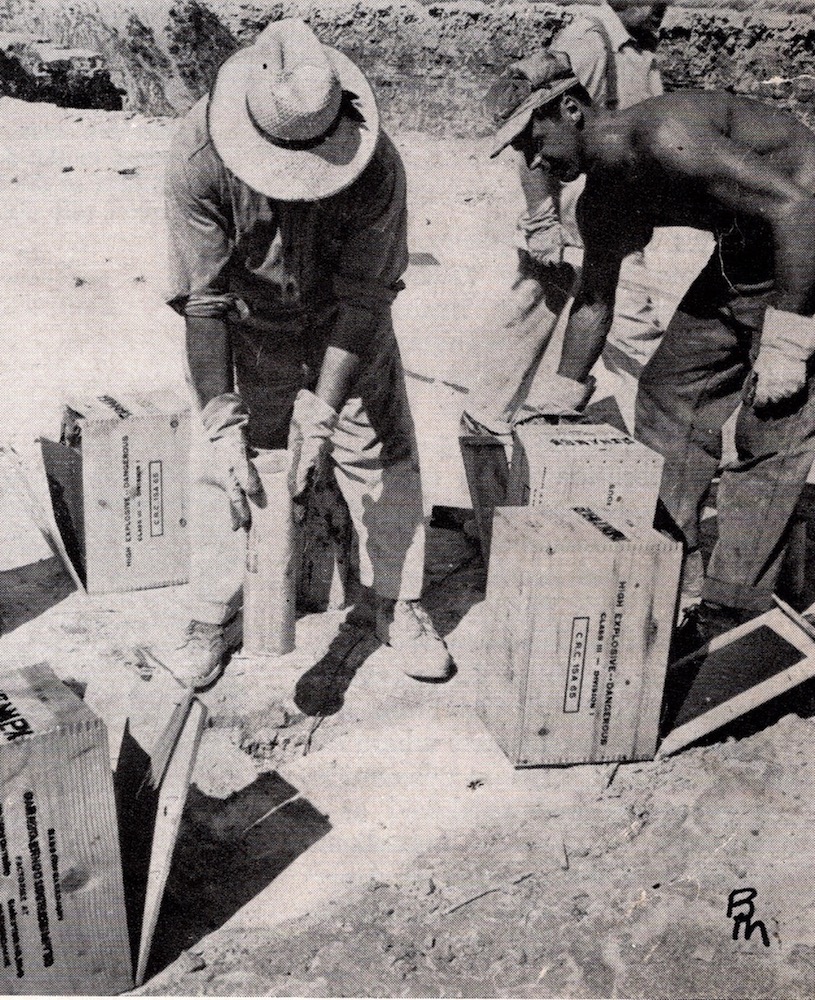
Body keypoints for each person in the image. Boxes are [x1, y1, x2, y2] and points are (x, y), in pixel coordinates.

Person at [489, 57, 815, 656]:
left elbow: (799, 210)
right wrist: (561, 395)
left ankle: (732, 614)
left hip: (806, 244)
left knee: (771, 421)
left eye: (533, 140)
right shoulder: (601, 200)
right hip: (748, 255)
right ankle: (672, 568)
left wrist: (789, 341)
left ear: (570, 108)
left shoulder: (664, 135)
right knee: (671, 389)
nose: (532, 163)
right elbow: (593, 297)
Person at [162, 18, 453, 689]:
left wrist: (321, 412)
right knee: (229, 469)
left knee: (378, 452)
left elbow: (365, 298)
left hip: (344, 323)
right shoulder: (197, 155)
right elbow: (202, 301)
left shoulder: (375, 165)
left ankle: (394, 604)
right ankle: (210, 615)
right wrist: (220, 421)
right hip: (247, 323)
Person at [464, 1, 668, 434]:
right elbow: (533, 133)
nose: (662, 8)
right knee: (600, 318)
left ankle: (489, 416)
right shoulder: (588, 42)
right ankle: (486, 420)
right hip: (576, 205)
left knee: (553, 311)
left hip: (614, 206)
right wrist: (542, 221)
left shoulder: (638, 48)